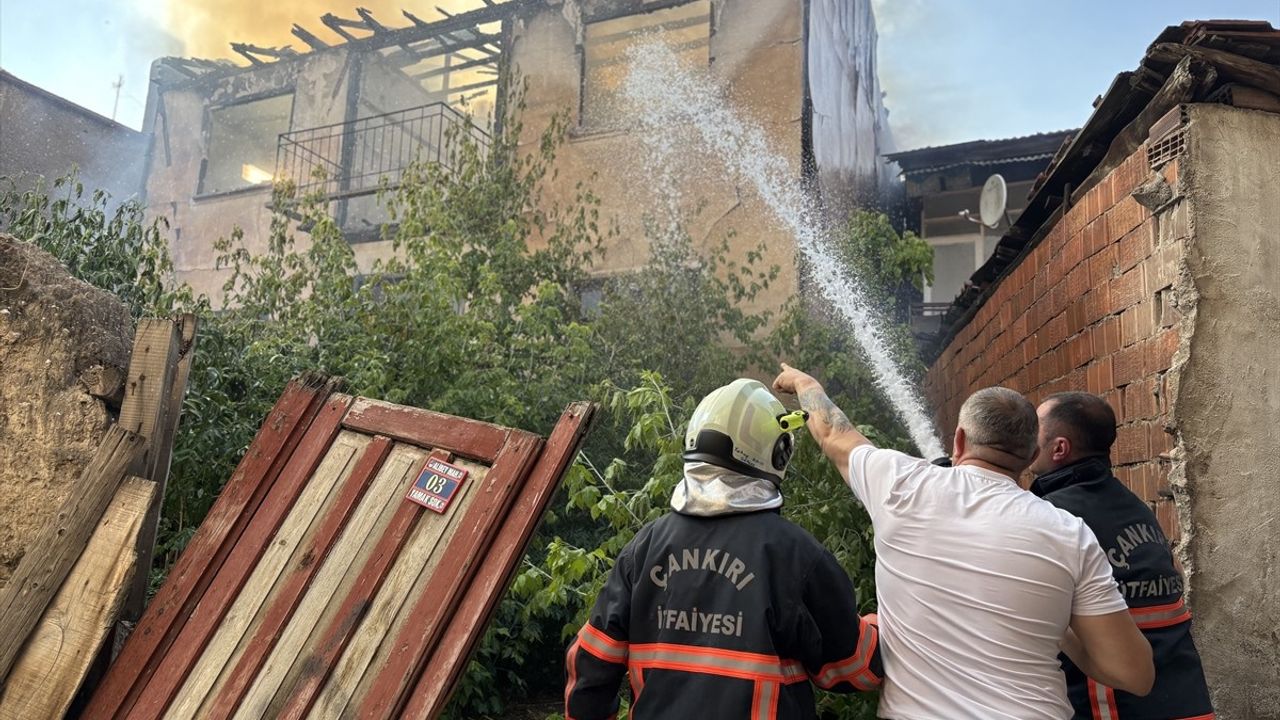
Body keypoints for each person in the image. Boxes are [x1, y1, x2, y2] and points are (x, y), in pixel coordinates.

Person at [771, 363, 1154, 720]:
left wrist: (805, 384)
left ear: (959, 440)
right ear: (1032, 455)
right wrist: (1059, 626)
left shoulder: (898, 484)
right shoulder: (1070, 533)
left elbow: (833, 433)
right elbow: (1134, 674)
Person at [564, 378, 882, 719]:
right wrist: (882, 626)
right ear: (778, 452)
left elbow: (591, 668)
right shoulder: (796, 555)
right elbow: (852, 669)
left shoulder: (643, 549)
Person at [1030, 391, 1214, 720]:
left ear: (1059, 448)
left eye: (1035, 431)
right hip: (1187, 702)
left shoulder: (1055, 518)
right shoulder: (1134, 507)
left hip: (1117, 706)